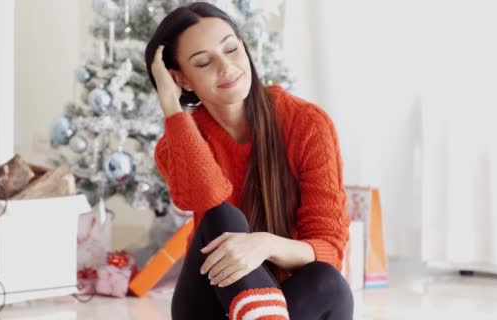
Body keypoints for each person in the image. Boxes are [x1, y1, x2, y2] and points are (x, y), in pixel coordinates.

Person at [145, 2, 353, 320]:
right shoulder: (176, 144)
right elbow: (205, 198)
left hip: (286, 301)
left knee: (329, 283)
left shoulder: (306, 124)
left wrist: (263, 245)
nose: (226, 67)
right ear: (182, 80)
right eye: (203, 62)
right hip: (211, 302)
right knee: (220, 216)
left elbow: (328, 248)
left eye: (231, 49)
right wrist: (171, 105)